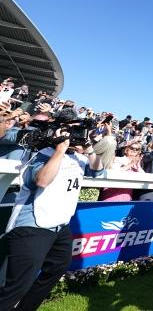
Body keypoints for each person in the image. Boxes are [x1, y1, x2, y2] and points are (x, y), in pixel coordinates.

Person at [0, 115, 104, 310]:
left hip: (60, 226)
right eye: (70, 130)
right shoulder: (42, 154)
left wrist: (89, 147)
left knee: (57, 267)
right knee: (17, 287)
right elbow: (42, 181)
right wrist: (60, 149)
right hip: (32, 225)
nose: (74, 134)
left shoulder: (79, 158)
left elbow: (98, 171)